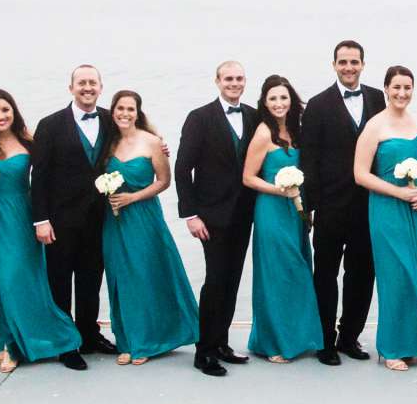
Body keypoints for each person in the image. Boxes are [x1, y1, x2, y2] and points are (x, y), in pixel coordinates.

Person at [0, 89, 85, 371]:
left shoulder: (30, 142)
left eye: (5, 110)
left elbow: (55, 168)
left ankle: (15, 344)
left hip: (20, 216)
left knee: (15, 276)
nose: (0, 116)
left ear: (14, 113)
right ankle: (1, 339)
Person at [97, 89, 198, 365]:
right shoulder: (106, 143)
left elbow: (163, 181)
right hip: (115, 220)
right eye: (120, 108)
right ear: (112, 111)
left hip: (144, 218)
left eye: (130, 109)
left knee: (146, 274)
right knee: (121, 278)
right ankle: (128, 340)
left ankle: (148, 341)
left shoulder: (152, 142)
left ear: (138, 112)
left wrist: (133, 197)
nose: (125, 114)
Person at [298, 40, 384, 364]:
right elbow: (309, 159)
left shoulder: (378, 98)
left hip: (369, 206)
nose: (349, 67)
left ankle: (350, 337)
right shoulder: (318, 105)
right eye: (343, 62)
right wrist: (312, 208)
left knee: (362, 275)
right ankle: (325, 341)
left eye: (354, 62)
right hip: (331, 208)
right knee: (326, 275)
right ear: (333, 64)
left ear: (363, 64)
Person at [354, 65, 417, 370]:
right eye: (397, 88)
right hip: (387, 210)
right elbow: (360, 174)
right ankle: (392, 347)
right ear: (386, 90)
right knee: (397, 275)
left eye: (407, 87)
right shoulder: (375, 126)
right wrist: (397, 192)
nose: (402, 93)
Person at [178, 60, 261, 377]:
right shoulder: (199, 118)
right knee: (215, 282)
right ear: (217, 81)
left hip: (244, 214)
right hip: (211, 216)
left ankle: (222, 343)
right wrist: (190, 214)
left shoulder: (253, 116)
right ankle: (204, 351)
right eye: (228, 78)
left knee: (232, 280)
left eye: (239, 78)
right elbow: (183, 169)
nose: (234, 83)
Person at [29, 65, 115, 356]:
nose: (87, 88)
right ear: (71, 88)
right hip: (60, 220)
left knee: (92, 280)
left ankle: (90, 335)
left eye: (92, 83)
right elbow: (38, 176)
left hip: (100, 219)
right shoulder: (50, 124)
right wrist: (41, 220)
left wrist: (159, 144)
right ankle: (65, 343)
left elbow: (133, 139)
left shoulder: (110, 119)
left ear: (101, 87)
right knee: (60, 282)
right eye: (81, 83)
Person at [242, 74, 324, 363]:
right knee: (277, 274)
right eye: (273, 98)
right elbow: (248, 177)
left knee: (299, 271)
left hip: (296, 212)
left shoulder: (297, 130)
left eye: (283, 97)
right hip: (272, 212)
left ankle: (298, 336)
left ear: (291, 100)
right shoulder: (263, 132)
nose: (279, 103)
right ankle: (274, 343)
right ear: (265, 102)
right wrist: (279, 189)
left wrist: (307, 209)